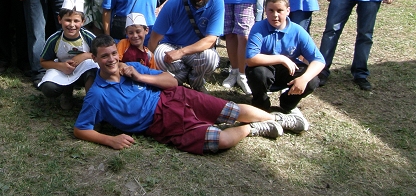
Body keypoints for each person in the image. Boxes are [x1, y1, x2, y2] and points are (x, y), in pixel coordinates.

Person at [74, 35, 308, 154]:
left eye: (114, 53)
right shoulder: (97, 95)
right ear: (94, 59)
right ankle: (254, 128)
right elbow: (81, 129)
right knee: (221, 140)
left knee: (232, 110)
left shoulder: (131, 67)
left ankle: (279, 119)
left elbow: (171, 81)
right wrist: (110, 140)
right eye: (104, 56)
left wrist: (140, 76)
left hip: (174, 96)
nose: (112, 59)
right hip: (160, 122)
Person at [246, 0, 325, 114]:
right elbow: (250, 59)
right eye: (271, 10)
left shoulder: (298, 31)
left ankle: (287, 103)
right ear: (265, 10)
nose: (275, 15)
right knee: (257, 73)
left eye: (279, 11)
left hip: (288, 72)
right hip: (266, 70)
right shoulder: (258, 28)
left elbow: (319, 60)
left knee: (312, 80)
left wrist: (304, 79)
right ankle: (261, 104)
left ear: (288, 11)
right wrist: (282, 58)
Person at [147, 0, 223, 92]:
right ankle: (178, 80)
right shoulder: (174, 3)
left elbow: (210, 40)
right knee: (159, 53)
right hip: (172, 46)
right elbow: (154, 38)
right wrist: (150, 64)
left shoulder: (217, 2)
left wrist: (181, 52)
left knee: (211, 57)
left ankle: (196, 83)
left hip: (196, 50)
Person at [39, 0, 97, 110]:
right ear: (60, 19)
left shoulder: (89, 37)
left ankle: (91, 100)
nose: (72, 25)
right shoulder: (54, 39)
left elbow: (101, 55)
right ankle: (66, 93)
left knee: (93, 70)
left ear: (83, 22)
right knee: (48, 88)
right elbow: (43, 62)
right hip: (62, 70)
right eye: (68, 20)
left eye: (76, 21)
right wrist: (61, 66)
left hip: (83, 71)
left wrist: (85, 55)